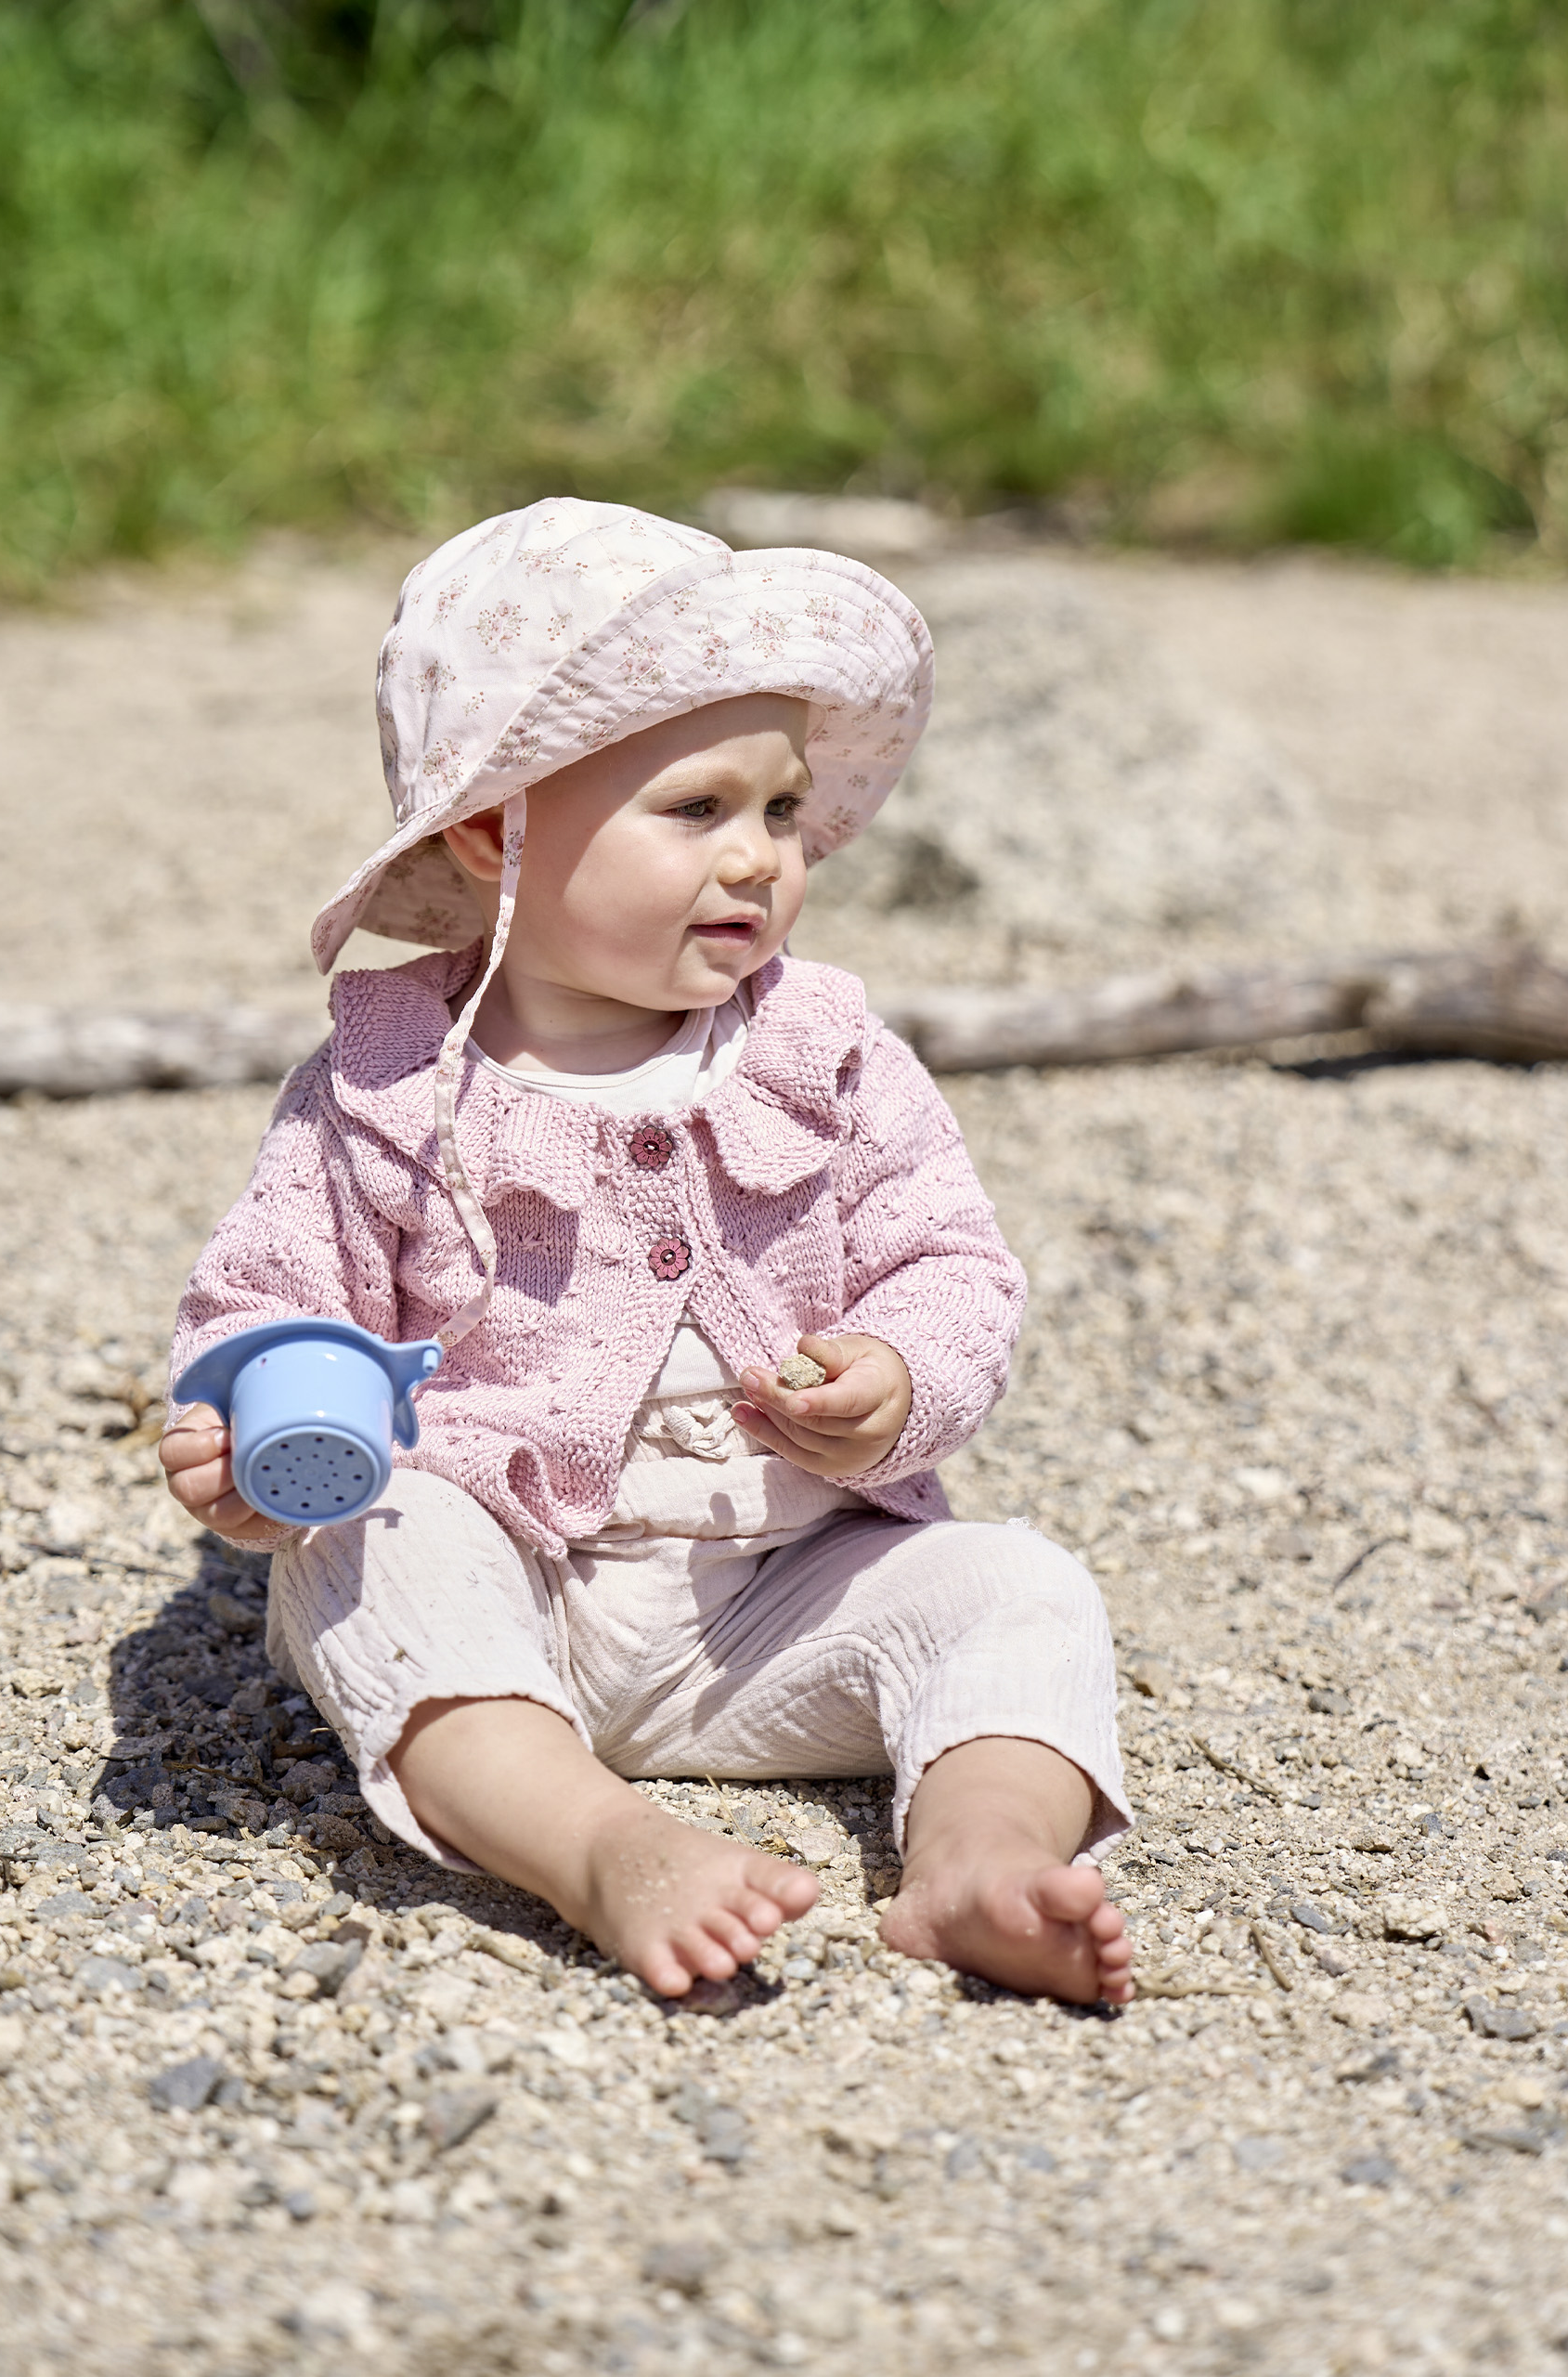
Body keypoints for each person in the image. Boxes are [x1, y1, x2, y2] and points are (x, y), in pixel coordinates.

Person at [162, 500, 1134, 2006]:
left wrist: (896, 1371)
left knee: (1019, 1585)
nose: (757, 861)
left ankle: (980, 1861)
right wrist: (247, 1444)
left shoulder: (827, 1053)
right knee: (375, 1547)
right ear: (497, 831)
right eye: (696, 812)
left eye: (782, 812)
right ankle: (598, 1842)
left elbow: (952, 1262)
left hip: (783, 1594)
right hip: (514, 1579)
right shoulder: (390, 1085)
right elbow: (272, 1303)